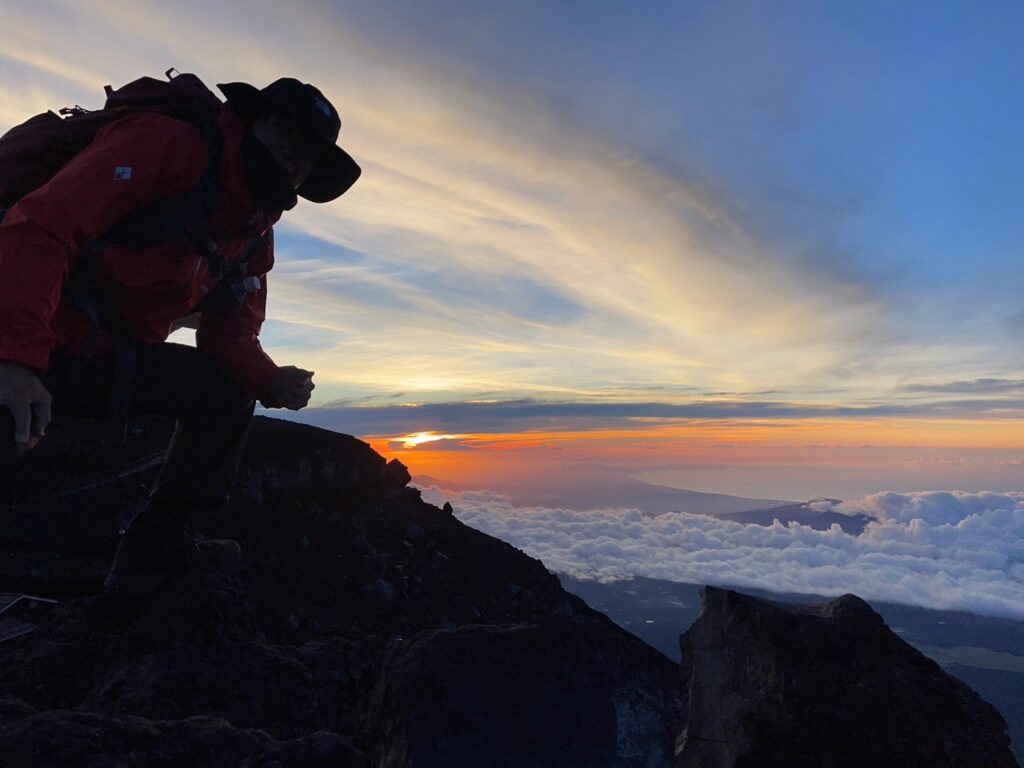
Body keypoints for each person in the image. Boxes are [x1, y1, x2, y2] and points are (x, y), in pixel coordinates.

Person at [0, 77, 361, 596]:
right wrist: (17, 360)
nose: (291, 153)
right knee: (6, 416)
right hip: (20, 334)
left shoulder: (253, 234)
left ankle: (156, 553)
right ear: (251, 120)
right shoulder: (167, 146)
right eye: (284, 129)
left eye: (308, 150)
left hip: (93, 353)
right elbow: (40, 227)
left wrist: (270, 380)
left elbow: (229, 335)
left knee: (227, 392)